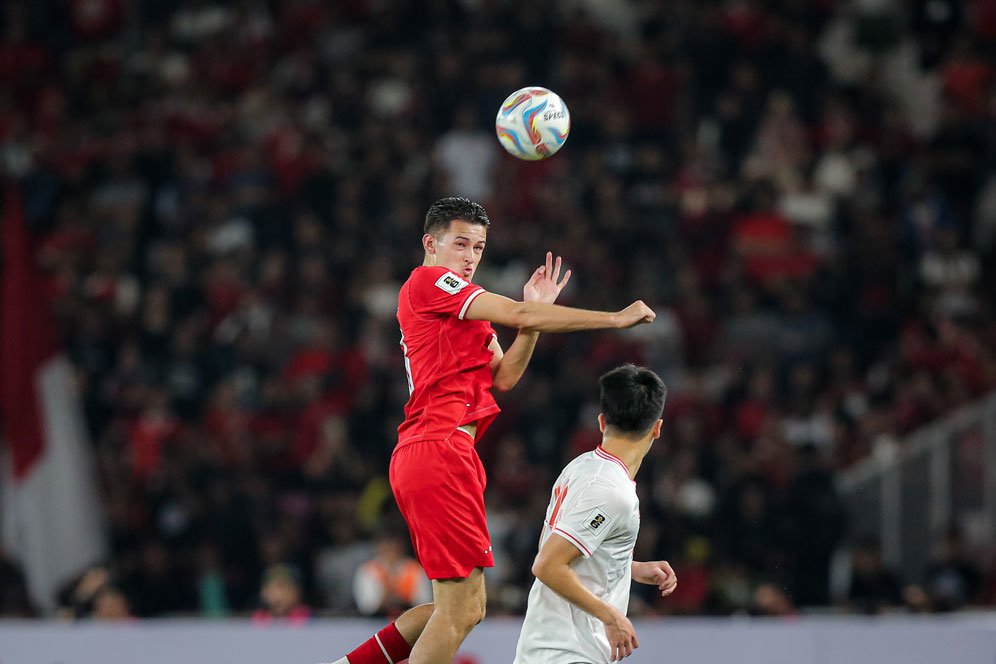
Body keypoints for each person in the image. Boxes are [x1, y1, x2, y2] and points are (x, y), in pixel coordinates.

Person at [327, 197, 656, 664]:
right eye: (460, 244)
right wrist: (613, 319)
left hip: (437, 451)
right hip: (439, 447)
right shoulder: (429, 282)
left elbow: (503, 377)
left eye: (478, 248)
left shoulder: (463, 307)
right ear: (430, 243)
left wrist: (533, 319)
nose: (469, 257)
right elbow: (518, 314)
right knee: (460, 613)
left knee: (460, 607)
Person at [513, 364, 677, 663]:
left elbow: (554, 549)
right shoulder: (609, 491)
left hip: (550, 649)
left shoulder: (581, 467)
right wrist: (610, 616)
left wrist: (627, 567)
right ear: (657, 428)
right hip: (568, 651)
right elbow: (547, 564)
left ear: (602, 422)